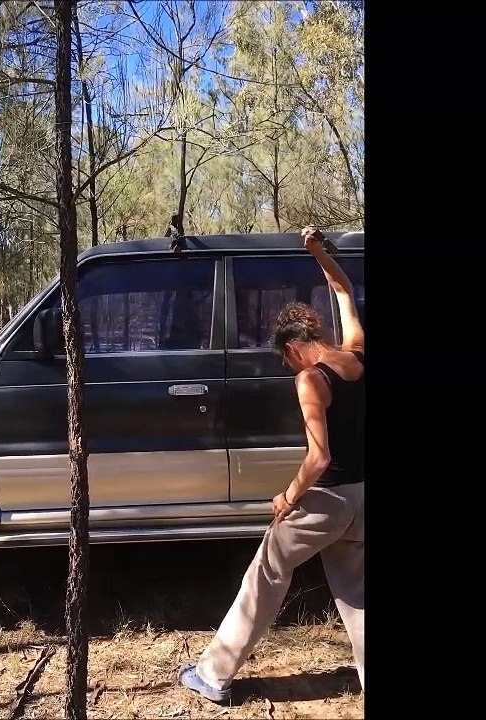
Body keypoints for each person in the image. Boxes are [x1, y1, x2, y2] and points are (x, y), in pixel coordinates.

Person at [179, 226, 365, 702]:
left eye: (286, 360)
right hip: (364, 499)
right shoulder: (358, 354)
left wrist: (287, 497)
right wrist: (317, 251)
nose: (289, 367)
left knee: (265, 574)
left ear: (292, 348)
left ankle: (213, 675)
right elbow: (344, 291)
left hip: (329, 500)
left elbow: (320, 457)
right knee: (357, 598)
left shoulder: (311, 380)